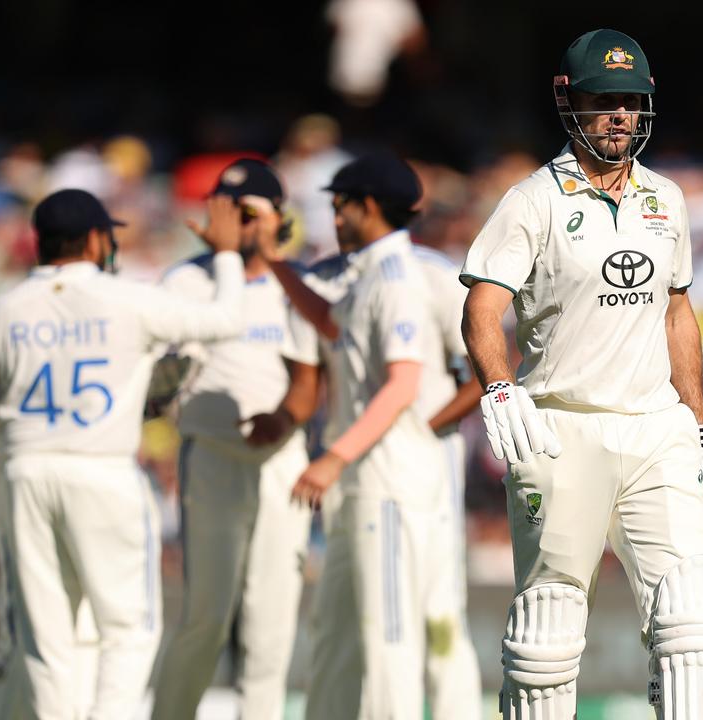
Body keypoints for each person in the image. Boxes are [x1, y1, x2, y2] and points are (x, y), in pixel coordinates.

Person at [458, 29, 703, 719]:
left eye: (631, 102)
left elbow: (678, 313)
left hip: (654, 431)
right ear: (568, 101)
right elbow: (481, 309)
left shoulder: (666, 198)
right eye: (603, 100)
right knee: (548, 633)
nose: (619, 116)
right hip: (561, 428)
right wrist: (499, 385)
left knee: (694, 619)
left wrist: (696, 428)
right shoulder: (532, 200)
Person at [0, 188, 247, 719]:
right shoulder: (129, 298)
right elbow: (227, 320)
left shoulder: (1, 310)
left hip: (22, 475)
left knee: (47, 639)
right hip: (101, 471)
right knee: (128, 631)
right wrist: (228, 252)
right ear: (95, 240)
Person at [261, 153, 484, 719]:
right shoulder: (367, 274)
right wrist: (277, 263)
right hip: (364, 481)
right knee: (337, 631)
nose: (333, 219)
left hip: (390, 479)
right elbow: (335, 328)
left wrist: (333, 457)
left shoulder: (400, 277)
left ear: (366, 207)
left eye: (340, 207)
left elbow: (404, 382)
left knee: (393, 636)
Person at [150, 159, 317, 720]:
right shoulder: (184, 281)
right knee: (205, 618)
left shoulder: (296, 285)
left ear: (278, 218)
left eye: (248, 212)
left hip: (280, 462)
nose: (235, 223)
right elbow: (156, 377)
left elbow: (309, 381)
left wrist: (284, 420)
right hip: (211, 459)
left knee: (270, 626)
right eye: (224, 210)